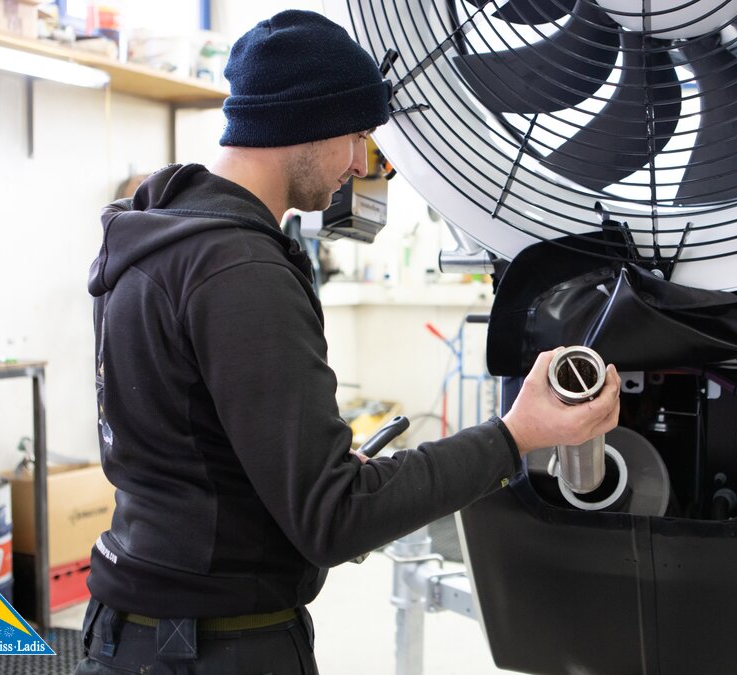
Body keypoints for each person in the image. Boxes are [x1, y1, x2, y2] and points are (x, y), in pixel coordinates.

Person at [74, 9, 619, 675]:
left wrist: (308, 461)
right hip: (213, 649)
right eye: (357, 133)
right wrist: (514, 435)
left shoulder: (153, 236)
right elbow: (335, 519)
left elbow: (190, 448)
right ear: (302, 122)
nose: (360, 162)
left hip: (132, 632)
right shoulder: (240, 268)